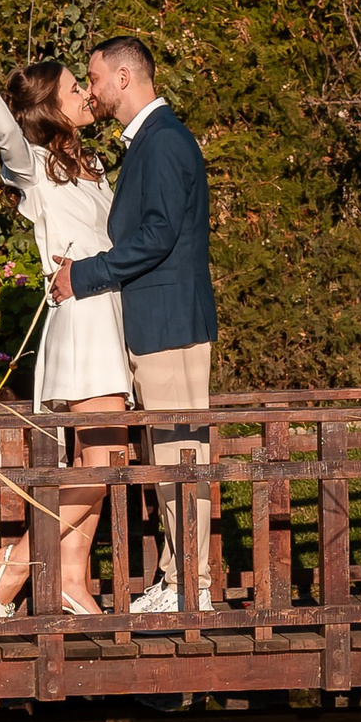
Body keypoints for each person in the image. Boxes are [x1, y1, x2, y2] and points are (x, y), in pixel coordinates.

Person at [0, 22, 131, 617]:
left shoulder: (91, 162)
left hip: (110, 312)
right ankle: (16, 563)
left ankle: (70, 578)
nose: (86, 94)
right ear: (48, 108)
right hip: (84, 320)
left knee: (95, 464)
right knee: (106, 464)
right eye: (75, 88)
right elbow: (1, 128)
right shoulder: (34, 163)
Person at [47, 36, 219, 614]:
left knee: (181, 456)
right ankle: (178, 580)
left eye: (94, 78)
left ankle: (191, 587)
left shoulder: (163, 140)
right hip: (158, 322)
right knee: (171, 456)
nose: (91, 91)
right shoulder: (151, 139)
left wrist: (84, 275)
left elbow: (156, 236)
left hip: (170, 323)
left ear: (123, 77)